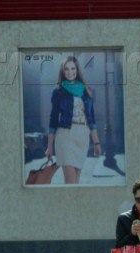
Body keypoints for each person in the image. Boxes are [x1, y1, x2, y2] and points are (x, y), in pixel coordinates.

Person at [45, 56, 101, 184]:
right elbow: (53, 119)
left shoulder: (87, 91)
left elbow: (91, 119)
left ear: (77, 70)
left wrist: (96, 143)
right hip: (65, 136)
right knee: (70, 182)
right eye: (66, 69)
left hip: (82, 135)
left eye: (72, 68)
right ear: (62, 72)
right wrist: (49, 146)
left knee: (76, 181)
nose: (70, 72)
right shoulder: (58, 92)